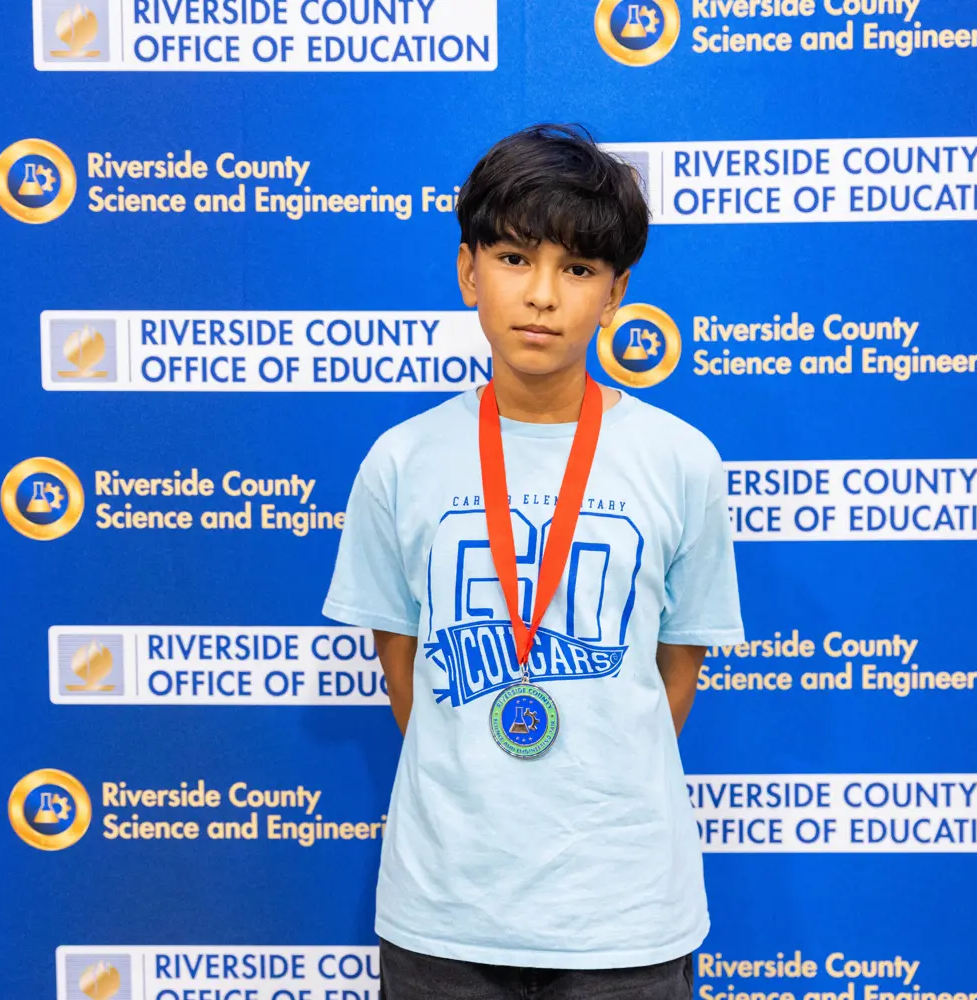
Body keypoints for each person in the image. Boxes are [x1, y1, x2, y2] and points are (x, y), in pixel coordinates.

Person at [322, 123, 744, 1000]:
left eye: (577, 269)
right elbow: (403, 669)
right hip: (443, 913)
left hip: (624, 915)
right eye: (515, 259)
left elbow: (676, 670)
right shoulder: (401, 460)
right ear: (468, 270)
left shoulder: (680, 460)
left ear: (617, 291)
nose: (543, 296)